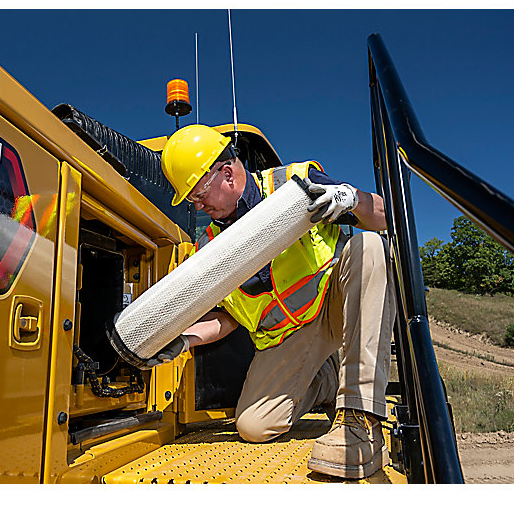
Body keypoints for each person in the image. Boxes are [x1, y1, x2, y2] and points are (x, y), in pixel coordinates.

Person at [153, 124, 396, 479]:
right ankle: (325, 381)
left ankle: (361, 421)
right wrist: (185, 339)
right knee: (253, 426)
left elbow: (388, 216)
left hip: (334, 308)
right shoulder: (208, 248)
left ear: (227, 174)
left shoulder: (295, 184)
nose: (198, 205)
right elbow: (228, 317)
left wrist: (351, 199)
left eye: (198, 193)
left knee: (370, 246)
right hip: (287, 340)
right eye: (192, 200)